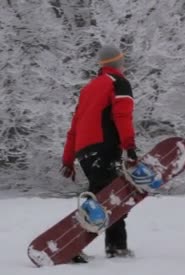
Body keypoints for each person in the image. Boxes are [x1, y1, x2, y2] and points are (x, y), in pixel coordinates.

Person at [60, 44, 138, 262]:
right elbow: (123, 116)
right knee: (110, 199)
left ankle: (114, 246)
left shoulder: (88, 89)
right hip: (104, 148)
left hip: (84, 152)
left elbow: (74, 126)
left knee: (107, 198)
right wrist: (130, 147)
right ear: (120, 63)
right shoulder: (119, 83)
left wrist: (68, 160)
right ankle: (78, 245)